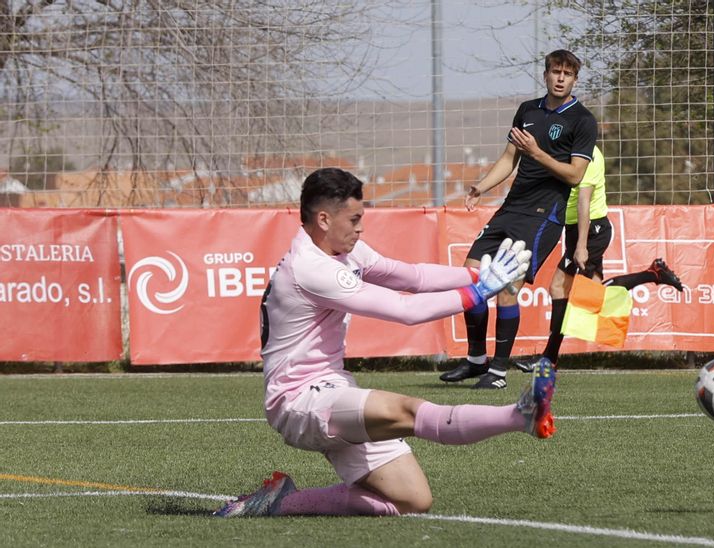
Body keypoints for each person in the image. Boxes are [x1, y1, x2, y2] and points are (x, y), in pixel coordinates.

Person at [215, 168, 556, 517]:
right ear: (323, 219)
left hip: (332, 389)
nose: (361, 227)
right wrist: (480, 292)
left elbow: (414, 277)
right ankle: (519, 417)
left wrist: (478, 276)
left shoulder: (345, 252)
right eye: (355, 219)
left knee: (412, 500)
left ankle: (282, 501)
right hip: (299, 400)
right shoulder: (311, 268)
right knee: (406, 410)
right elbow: (404, 309)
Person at [439, 49, 599, 389]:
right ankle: (476, 362)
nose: (560, 78)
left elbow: (574, 175)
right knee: (472, 279)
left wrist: (538, 152)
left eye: (567, 74)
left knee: (506, 288)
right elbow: (509, 157)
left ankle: (497, 372)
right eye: (555, 72)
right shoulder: (527, 110)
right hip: (511, 208)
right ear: (545, 75)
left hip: (544, 215)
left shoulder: (582, 120)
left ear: (575, 80)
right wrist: (480, 186)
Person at [521, 145, 685, 368]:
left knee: (559, 287)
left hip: (591, 230)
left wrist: (581, 245)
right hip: (576, 229)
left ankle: (549, 358)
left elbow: (583, 201)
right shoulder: (564, 152)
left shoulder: (588, 155)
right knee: (596, 297)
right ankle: (653, 274)